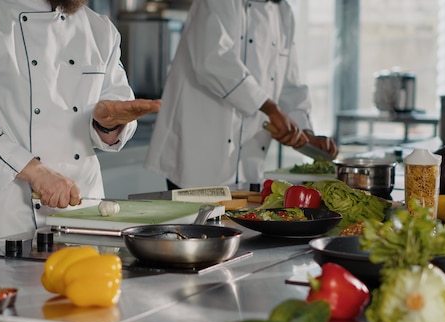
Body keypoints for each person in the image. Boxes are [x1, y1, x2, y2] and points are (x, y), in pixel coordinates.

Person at [0, 0, 161, 245]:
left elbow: (115, 105)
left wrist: (107, 124)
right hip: (8, 220)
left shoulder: (100, 29)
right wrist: (35, 171)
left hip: (83, 213)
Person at [145, 0, 338, 190]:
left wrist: (305, 134)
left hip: (248, 162)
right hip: (196, 158)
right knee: (195, 221)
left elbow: (290, 84)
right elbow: (212, 61)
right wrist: (270, 108)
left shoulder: (284, 13)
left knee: (236, 220)